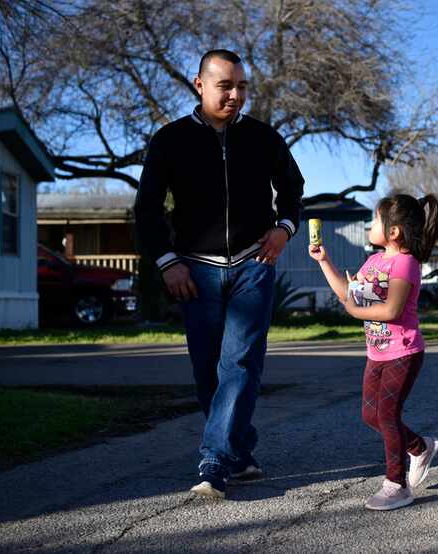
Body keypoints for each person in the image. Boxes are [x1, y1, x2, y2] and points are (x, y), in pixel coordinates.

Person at [134, 49, 305, 499]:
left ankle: (213, 461)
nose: (235, 95)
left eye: (242, 87)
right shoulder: (169, 140)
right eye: (225, 86)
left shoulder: (264, 138)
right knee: (208, 369)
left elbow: (293, 190)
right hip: (196, 272)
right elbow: (147, 209)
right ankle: (240, 452)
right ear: (200, 85)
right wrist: (167, 262)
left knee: (240, 362)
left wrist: (284, 229)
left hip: (254, 264)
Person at [309, 194, 438, 510]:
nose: (370, 225)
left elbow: (393, 310)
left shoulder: (406, 263)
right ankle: (420, 447)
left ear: (394, 231)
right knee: (371, 415)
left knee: (387, 414)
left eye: (375, 221)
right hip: (377, 353)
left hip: (404, 352)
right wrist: (323, 261)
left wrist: (355, 312)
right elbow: (347, 293)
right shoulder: (374, 261)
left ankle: (396, 485)